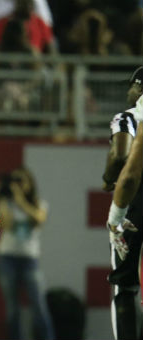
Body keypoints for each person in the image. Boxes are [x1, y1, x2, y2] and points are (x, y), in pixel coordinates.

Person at [102, 66, 143, 340]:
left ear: (139, 88)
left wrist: (108, 178)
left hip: (134, 203)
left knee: (124, 284)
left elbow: (121, 156)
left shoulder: (128, 117)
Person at [0, 168, 54, 340]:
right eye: (15, 181)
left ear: (30, 183)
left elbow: (39, 219)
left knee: (39, 305)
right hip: (7, 258)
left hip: (29, 259)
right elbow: (7, 224)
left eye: (21, 181)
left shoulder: (39, 203)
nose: (18, 185)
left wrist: (20, 200)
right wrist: (3, 198)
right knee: (12, 308)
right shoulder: (7, 203)